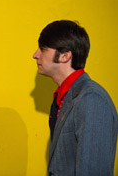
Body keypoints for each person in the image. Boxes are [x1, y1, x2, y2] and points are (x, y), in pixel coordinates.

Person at [33, 20, 118, 176]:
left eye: (43, 48)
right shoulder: (66, 97)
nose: (35, 55)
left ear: (65, 56)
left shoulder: (92, 100)